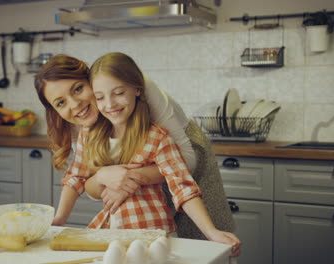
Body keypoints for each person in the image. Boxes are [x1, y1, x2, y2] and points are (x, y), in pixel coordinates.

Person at [34, 54, 237, 254]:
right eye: (60, 102)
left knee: (202, 247)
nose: (75, 104)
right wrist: (60, 218)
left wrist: (129, 178)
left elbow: (182, 181)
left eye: (78, 89)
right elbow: (78, 178)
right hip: (116, 232)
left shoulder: (156, 133)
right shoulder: (89, 133)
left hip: (162, 209)